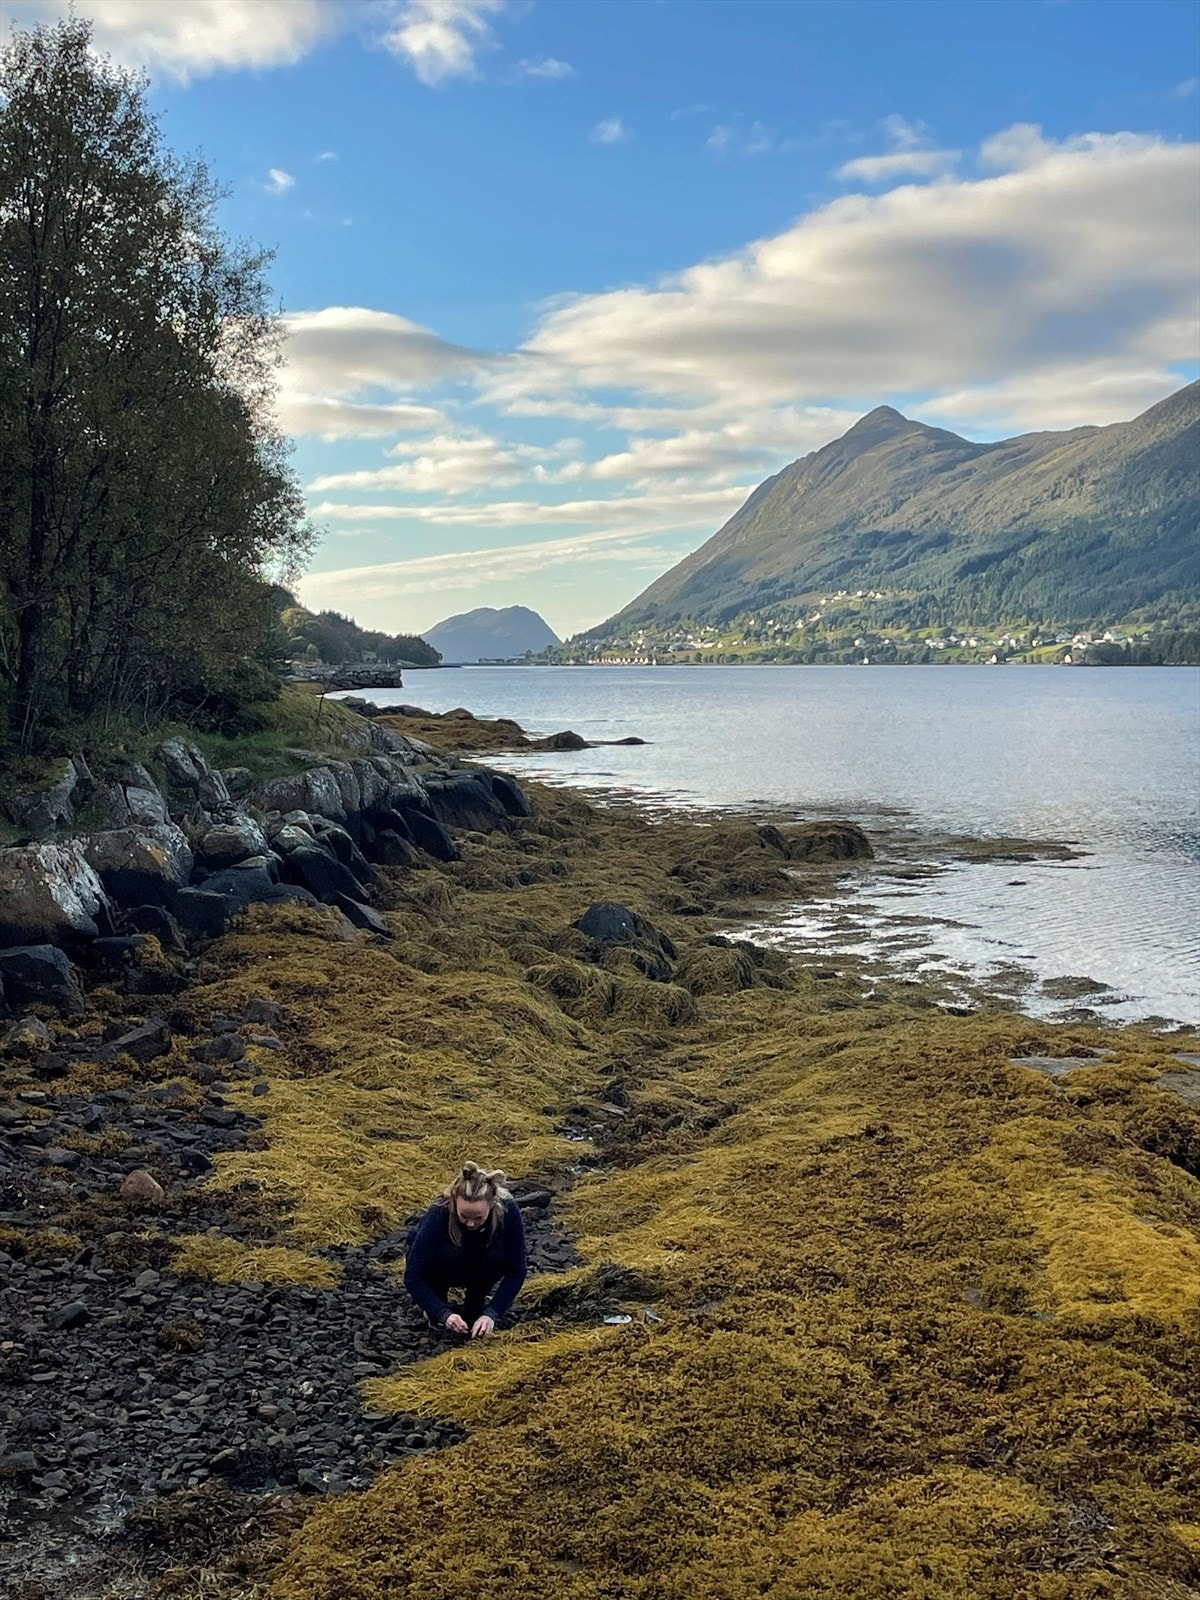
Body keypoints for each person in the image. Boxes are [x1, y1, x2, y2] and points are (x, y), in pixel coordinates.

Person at [404, 1162, 528, 1338]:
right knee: (447, 1255)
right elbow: (413, 1275)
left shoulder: (508, 1211)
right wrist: (442, 1313)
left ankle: (476, 1299)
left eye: (478, 1217)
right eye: (464, 1216)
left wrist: (492, 1313)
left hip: (481, 1262)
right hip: (445, 1263)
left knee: (497, 1255)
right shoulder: (439, 1213)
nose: (470, 1223)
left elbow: (517, 1270)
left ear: (492, 1205)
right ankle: (438, 1300)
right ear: (454, 1202)